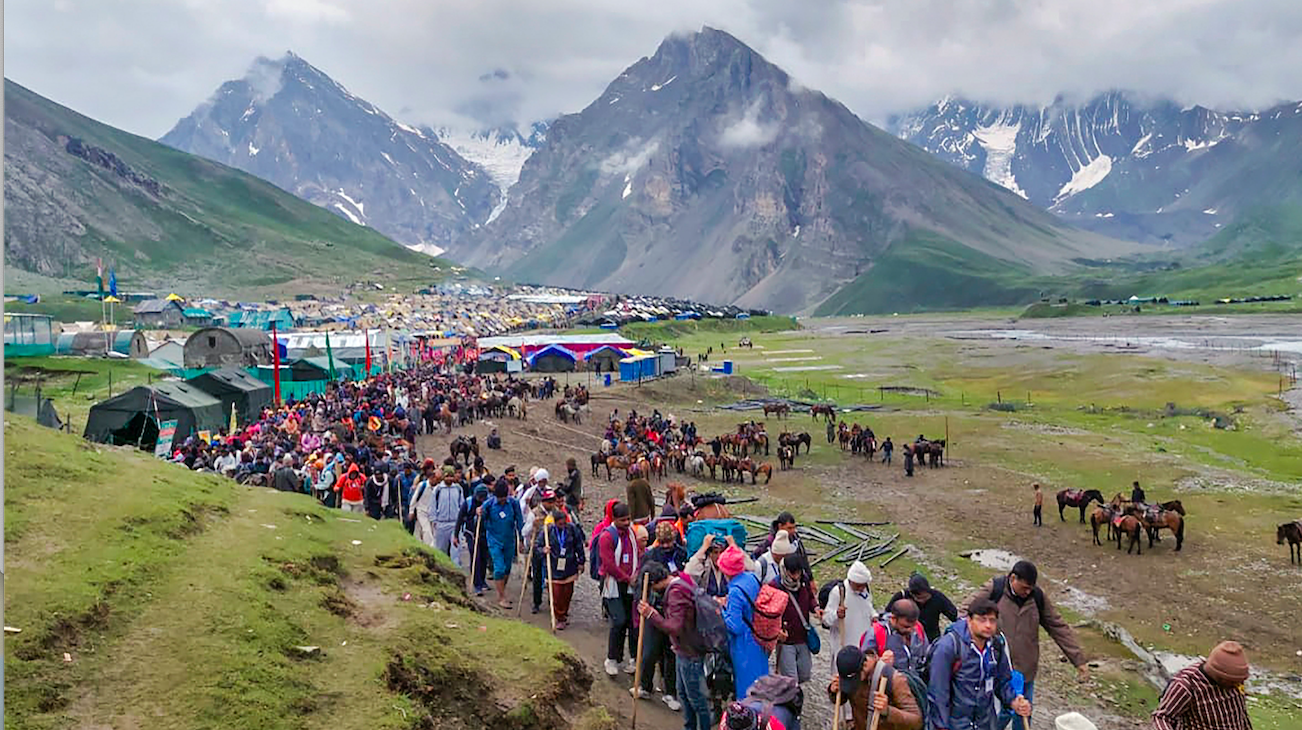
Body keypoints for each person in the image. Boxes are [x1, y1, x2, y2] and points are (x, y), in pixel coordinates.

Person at [960, 560, 1088, 730]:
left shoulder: (1037, 597)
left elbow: (1057, 626)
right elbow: (964, 613)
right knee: (1000, 711)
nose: (1028, 591)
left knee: (1024, 711)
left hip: (1026, 668)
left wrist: (1077, 659)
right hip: (996, 667)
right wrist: (975, 642)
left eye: (1031, 588)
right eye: (1025, 587)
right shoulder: (995, 589)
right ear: (1013, 578)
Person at [927, 597, 1030, 730]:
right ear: (969, 620)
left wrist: (1014, 701)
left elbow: (1002, 681)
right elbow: (938, 693)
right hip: (955, 724)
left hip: (985, 723)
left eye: (992, 620)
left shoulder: (996, 647)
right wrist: (941, 726)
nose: (988, 625)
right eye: (982, 619)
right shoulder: (948, 647)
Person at [637, 568, 713, 730]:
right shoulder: (683, 578)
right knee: (684, 694)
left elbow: (674, 627)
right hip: (685, 647)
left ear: (654, 584)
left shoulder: (675, 594)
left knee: (696, 698)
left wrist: (651, 614)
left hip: (689, 651)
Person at [1151, 640, 1252, 730]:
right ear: (1219, 676)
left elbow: (1241, 716)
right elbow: (1162, 718)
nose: (1236, 685)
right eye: (1232, 682)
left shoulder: (1234, 680)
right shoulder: (1186, 685)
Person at [599, 502, 645, 676]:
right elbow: (609, 564)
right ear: (614, 519)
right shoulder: (607, 537)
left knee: (632, 622)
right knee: (618, 621)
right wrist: (627, 578)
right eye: (623, 520)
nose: (627, 523)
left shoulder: (631, 533)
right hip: (613, 583)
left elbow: (638, 555)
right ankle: (612, 658)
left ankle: (633, 658)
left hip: (631, 583)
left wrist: (636, 574)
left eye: (628, 519)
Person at [830, 646, 923, 730]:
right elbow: (842, 698)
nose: (852, 684)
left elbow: (916, 721)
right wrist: (834, 691)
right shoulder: (852, 669)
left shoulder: (895, 680)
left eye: (853, 680)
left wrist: (888, 711)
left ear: (865, 666)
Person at [631, 561, 683, 711]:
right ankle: (645, 686)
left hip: (669, 622)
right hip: (651, 621)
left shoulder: (674, 588)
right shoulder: (645, 581)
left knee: (670, 656)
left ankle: (670, 693)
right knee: (648, 654)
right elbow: (638, 595)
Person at [721, 544, 769, 699]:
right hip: (759, 637)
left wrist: (721, 611)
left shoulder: (735, 591)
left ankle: (748, 719)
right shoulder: (752, 578)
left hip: (744, 644)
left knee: (746, 689)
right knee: (761, 683)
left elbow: (735, 626)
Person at [535, 508, 585, 629]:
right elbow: (537, 546)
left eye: (564, 523)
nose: (562, 526)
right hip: (553, 566)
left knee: (567, 593)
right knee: (556, 594)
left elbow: (579, 545)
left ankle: (564, 613)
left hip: (569, 565)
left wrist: (581, 561)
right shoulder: (547, 531)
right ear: (555, 522)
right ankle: (559, 617)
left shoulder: (572, 529)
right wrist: (543, 550)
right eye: (560, 523)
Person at [822, 561, 875, 665]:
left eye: (863, 585)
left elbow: (869, 607)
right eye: (858, 586)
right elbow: (826, 619)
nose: (861, 589)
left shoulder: (865, 591)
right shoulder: (838, 592)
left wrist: (874, 616)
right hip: (843, 644)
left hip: (862, 645)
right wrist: (836, 614)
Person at [481, 481, 524, 610]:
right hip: (494, 539)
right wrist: (480, 513)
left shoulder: (514, 503)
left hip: (509, 540)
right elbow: (480, 520)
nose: (502, 500)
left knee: (507, 569)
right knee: (499, 568)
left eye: (504, 497)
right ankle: (501, 597)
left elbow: (519, 521)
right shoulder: (488, 504)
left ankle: (502, 591)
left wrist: (521, 539)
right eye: (500, 498)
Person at [775, 553, 816, 685]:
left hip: (802, 637)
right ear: (785, 570)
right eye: (793, 573)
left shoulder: (803, 580)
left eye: (798, 572)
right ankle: (792, 702)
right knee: (791, 681)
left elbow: (810, 597)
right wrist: (776, 630)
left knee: (805, 674)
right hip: (786, 640)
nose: (796, 576)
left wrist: (815, 608)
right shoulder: (775, 586)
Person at [884, 574, 958, 643]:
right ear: (912, 594)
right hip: (903, 637)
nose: (923, 601)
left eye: (926, 597)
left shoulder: (937, 597)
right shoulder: (902, 596)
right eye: (920, 598)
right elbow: (886, 615)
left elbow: (954, 615)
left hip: (931, 637)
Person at [862, 599, 928, 675]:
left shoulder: (918, 628)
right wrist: (879, 663)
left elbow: (925, 657)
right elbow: (863, 666)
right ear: (893, 619)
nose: (911, 630)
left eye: (913, 626)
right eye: (906, 627)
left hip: (916, 682)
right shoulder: (876, 633)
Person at [427, 466, 464, 566]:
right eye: (447, 476)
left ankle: (456, 573)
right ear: (443, 477)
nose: (449, 479)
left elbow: (462, 506)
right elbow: (433, 506)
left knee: (455, 552)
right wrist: (434, 520)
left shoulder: (458, 489)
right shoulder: (438, 489)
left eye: (451, 476)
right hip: (441, 524)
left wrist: (461, 523)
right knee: (441, 552)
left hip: (455, 524)